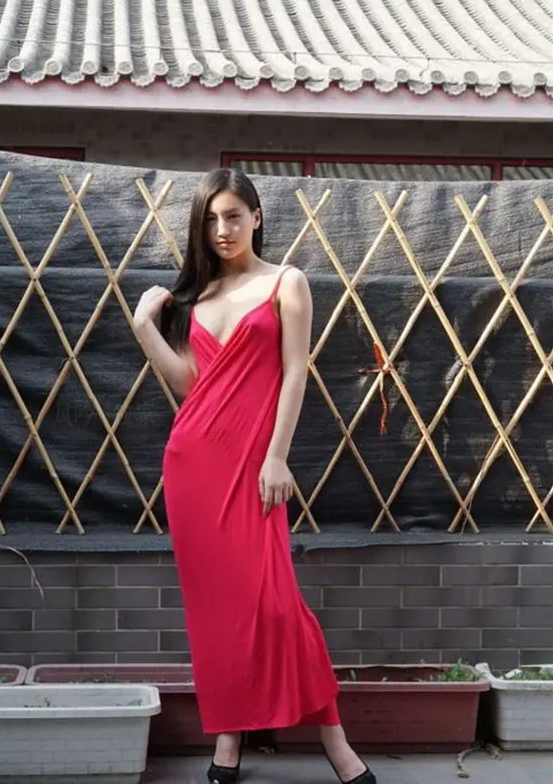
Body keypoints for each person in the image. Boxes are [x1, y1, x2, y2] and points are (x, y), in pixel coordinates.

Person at [133, 168, 376, 784]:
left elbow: (295, 372)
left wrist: (276, 456)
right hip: (194, 465)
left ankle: (334, 741)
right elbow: (189, 385)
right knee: (218, 615)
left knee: (276, 606)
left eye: (233, 216)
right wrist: (142, 328)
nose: (222, 229)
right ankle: (228, 740)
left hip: (256, 465)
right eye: (211, 219)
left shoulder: (286, 282)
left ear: (256, 217)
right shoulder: (197, 297)